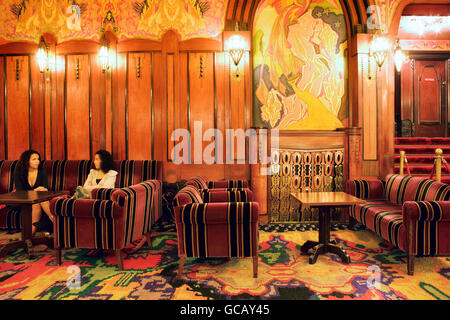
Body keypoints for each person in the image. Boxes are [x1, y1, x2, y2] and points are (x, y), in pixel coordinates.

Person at [14, 150, 53, 234]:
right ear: (26, 161)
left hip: (38, 200)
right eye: (34, 159)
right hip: (22, 201)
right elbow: (20, 193)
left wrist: (44, 190)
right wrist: (34, 191)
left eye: (38, 159)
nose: (37, 161)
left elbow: (45, 189)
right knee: (39, 200)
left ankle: (29, 236)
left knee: (39, 201)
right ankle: (56, 222)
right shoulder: (18, 174)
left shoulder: (42, 172)